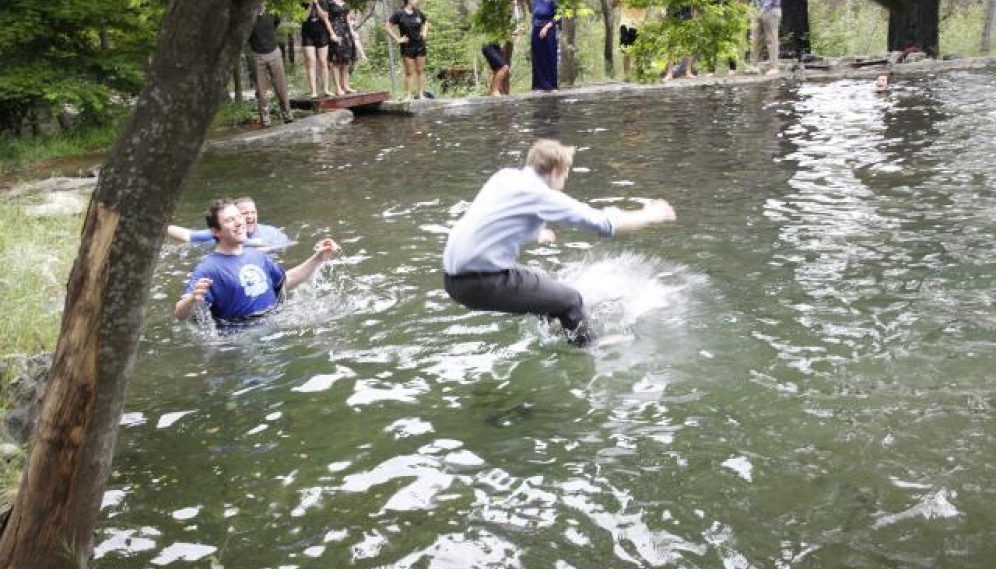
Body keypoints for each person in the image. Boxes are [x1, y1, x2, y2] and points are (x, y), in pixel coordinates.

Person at [442, 139, 677, 347]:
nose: (565, 179)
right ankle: (589, 349)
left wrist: (535, 233)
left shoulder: (504, 177)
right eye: (566, 174)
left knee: (543, 280)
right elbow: (602, 222)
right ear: (554, 172)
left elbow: (494, 216)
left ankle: (550, 328)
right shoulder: (541, 195)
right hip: (478, 283)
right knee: (571, 300)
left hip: (453, 279)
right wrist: (650, 216)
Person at [174, 200, 340, 324]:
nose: (240, 222)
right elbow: (180, 314)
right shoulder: (209, 268)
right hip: (239, 339)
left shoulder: (257, 256)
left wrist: (318, 258)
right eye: (230, 220)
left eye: (239, 216)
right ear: (216, 231)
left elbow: (284, 282)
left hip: (273, 325)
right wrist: (192, 300)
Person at [167, 197, 292, 251]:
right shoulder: (219, 233)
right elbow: (186, 234)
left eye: (253, 212)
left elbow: (290, 245)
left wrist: (267, 250)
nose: (249, 216)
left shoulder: (270, 232)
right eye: (244, 213)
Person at [249, 3, 294, 128]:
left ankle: (288, 116)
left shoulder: (273, 13)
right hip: (257, 55)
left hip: (274, 52)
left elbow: (276, 24)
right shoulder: (250, 17)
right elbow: (247, 35)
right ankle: (265, 120)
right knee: (260, 90)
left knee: (281, 86)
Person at [386, 0, 430, 101]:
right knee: (409, 72)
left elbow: (426, 23)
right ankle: (408, 96)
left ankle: (421, 95)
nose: (417, 1)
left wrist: (424, 32)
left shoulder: (418, 12)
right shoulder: (399, 14)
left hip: (419, 45)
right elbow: (387, 27)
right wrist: (397, 39)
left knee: (420, 71)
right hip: (407, 47)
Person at [301, 0, 340, 98]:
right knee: (311, 61)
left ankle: (326, 89)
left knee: (323, 61)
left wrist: (317, 4)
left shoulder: (323, 2)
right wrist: (310, 5)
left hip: (322, 33)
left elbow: (324, 16)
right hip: (308, 35)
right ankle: (313, 91)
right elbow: (303, 18)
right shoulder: (302, 2)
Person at [327, 0, 363, 96]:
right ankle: (338, 87)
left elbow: (347, 18)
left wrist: (352, 31)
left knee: (347, 59)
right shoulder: (330, 3)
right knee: (337, 60)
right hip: (336, 30)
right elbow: (327, 19)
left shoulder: (345, 3)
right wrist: (331, 33)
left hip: (346, 31)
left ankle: (346, 85)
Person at [530, 0, 559, 91]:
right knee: (537, 57)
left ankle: (552, 85)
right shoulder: (535, 1)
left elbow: (558, 16)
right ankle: (538, 86)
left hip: (548, 30)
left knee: (550, 56)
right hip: (536, 30)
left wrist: (546, 27)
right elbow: (534, 17)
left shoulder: (553, 2)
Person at [617, 2, 647, 81]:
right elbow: (613, 4)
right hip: (626, 23)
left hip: (639, 23)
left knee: (640, 51)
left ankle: (640, 75)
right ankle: (627, 76)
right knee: (626, 51)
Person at [751, 0, 781, 75]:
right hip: (757, 9)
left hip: (771, 9)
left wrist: (764, 8)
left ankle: (774, 67)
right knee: (755, 39)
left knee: (771, 40)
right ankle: (755, 65)